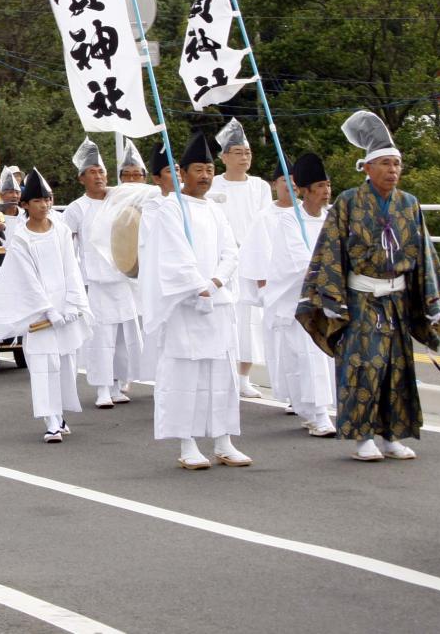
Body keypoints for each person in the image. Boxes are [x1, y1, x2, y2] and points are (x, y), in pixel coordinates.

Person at [297, 111, 440, 462]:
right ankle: (363, 435)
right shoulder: (348, 202)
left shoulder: (409, 204)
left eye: (397, 164)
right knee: (364, 366)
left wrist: (431, 296)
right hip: (361, 297)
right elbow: (330, 249)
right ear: (366, 168)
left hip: (396, 297)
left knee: (397, 368)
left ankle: (392, 434)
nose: (393, 170)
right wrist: (330, 297)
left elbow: (424, 252)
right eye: (385, 163)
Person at [139, 133, 251, 471]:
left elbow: (231, 251)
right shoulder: (169, 208)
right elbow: (172, 257)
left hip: (217, 303)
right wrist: (197, 287)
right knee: (185, 376)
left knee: (221, 375)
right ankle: (187, 444)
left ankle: (223, 440)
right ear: (182, 172)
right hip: (184, 308)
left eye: (209, 169)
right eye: (198, 169)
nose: (205, 175)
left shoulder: (215, 210)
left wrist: (215, 282)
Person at [0, 168, 92, 442]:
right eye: (39, 200)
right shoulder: (21, 238)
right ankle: (50, 419)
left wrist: (72, 304)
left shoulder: (62, 231)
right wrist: (47, 310)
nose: (45, 205)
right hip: (38, 313)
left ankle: (60, 413)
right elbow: (26, 279)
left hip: (64, 309)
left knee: (65, 363)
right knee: (44, 364)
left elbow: (72, 268)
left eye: (49, 199)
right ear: (25, 205)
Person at [241, 154, 336, 437]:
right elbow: (295, 261)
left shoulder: (333, 217)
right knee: (307, 357)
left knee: (326, 357)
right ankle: (316, 414)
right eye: (319, 186)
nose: (325, 192)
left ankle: (319, 409)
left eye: (328, 185)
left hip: (328, 299)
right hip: (298, 300)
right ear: (304, 190)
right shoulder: (288, 221)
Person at [61, 138, 141, 409]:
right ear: (81, 177)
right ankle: (102, 388)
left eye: (102, 171)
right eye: (93, 172)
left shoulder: (118, 199)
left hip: (124, 281)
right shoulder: (76, 208)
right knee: (101, 338)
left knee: (123, 338)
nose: (99, 176)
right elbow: (66, 246)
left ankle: (119, 383)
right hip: (96, 283)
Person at [209, 118, 272, 398]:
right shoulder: (212, 184)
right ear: (224, 157)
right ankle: (221, 374)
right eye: (238, 153)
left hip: (250, 259)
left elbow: (265, 224)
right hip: (221, 260)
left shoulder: (260, 186)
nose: (244, 157)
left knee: (249, 322)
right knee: (223, 317)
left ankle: (243, 376)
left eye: (247, 152)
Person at [0, 166, 26, 237]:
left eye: (17, 193)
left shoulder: (25, 215)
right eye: (10, 192)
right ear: (1, 195)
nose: (15, 196)